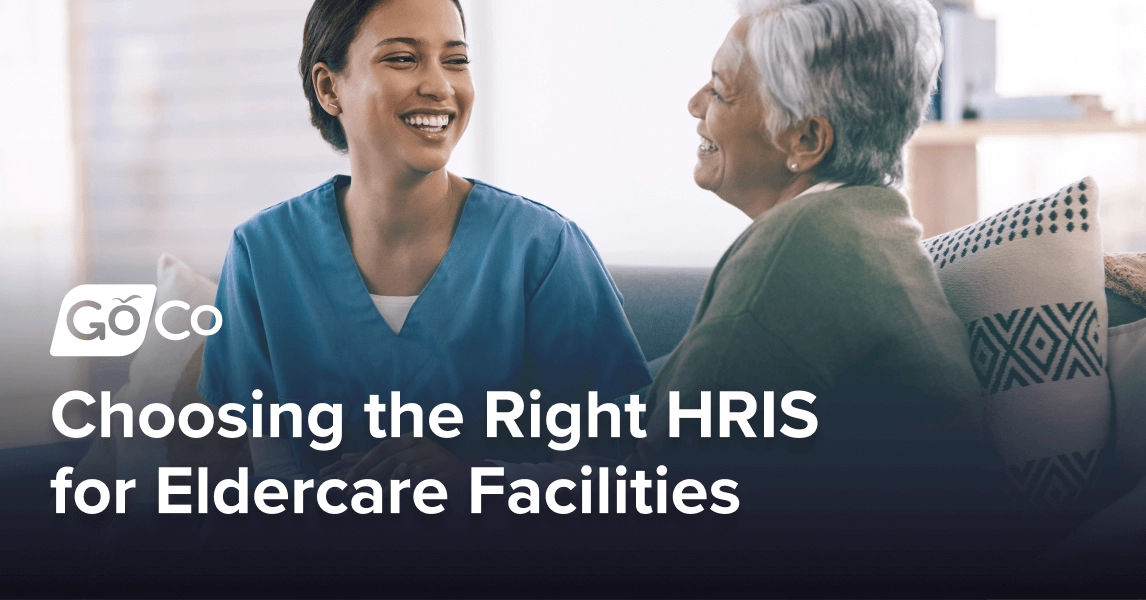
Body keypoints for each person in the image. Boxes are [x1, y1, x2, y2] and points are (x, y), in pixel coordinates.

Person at [197, 0, 650, 485]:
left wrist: (468, 482)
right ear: (329, 88)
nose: (440, 86)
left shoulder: (544, 250)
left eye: (456, 60)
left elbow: (610, 475)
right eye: (402, 58)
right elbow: (266, 476)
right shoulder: (262, 253)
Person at [637, 0, 993, 516]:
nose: (695, 105)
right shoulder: (869, 225)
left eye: (720, 91)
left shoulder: (797, 249)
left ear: (805, 139)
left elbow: (661, 485)